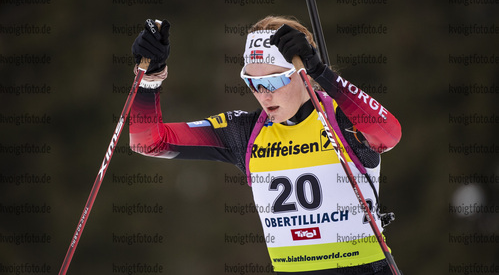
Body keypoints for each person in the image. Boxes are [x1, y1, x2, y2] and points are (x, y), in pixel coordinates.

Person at [128, 15, 402, 274]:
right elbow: (148, 142)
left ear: (301, 71)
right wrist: (150, 80)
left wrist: (321, 72)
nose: (264, 95)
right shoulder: (244, 133)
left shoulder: (342, 119)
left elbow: (389, 135)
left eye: (273, 80)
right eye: (253, 83)